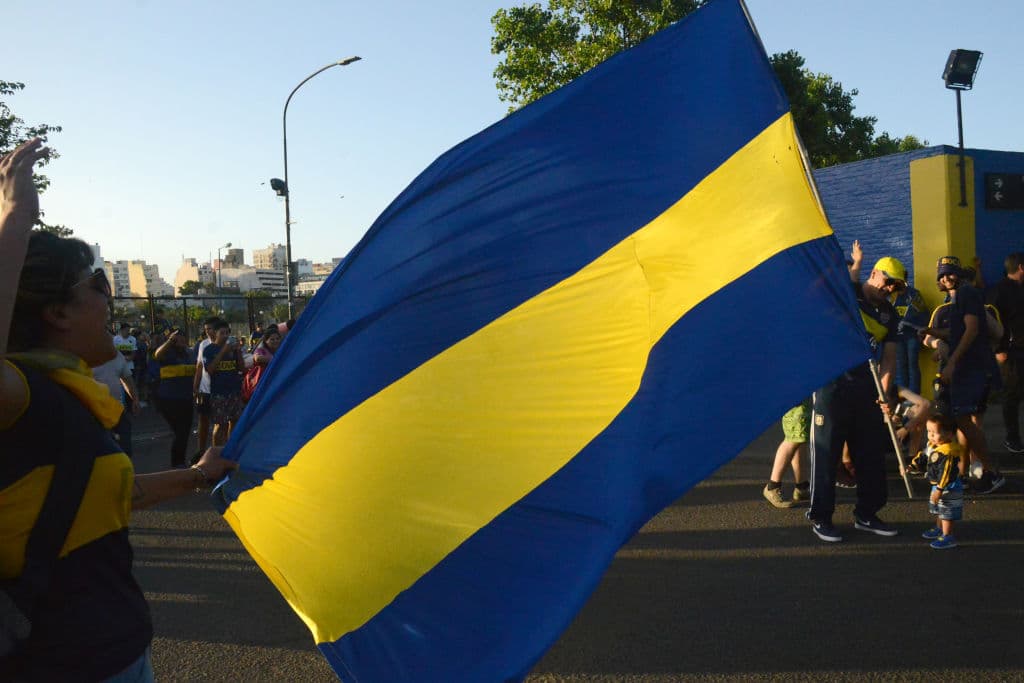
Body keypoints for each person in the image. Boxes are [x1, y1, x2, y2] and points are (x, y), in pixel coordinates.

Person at [0, 138, 237, 681]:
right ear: (57, 311)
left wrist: (197, 477)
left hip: (117, 651)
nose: (110, 302)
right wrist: (15, 219)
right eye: (99, 287)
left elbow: (105, 495)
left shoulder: (63, 394)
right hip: (63, 662)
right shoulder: (22, 394)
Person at [807, 256, 905, 543]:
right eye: (887, 281)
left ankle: (867, 513)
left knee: (871, 455)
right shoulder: (846, 295)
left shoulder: (889, 315)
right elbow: (822, 290)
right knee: (827, 454)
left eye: (896, 286)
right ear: (874, 274)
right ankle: (821, 517)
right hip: (832, 385)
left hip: (867, 389)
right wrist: (853, 266)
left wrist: (884, 395)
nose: (890, 289)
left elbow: (888, 359)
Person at [923, 256, 1005, 494]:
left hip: (974, 371)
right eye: (942, 274)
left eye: (950, 273)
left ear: (960, 275)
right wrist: (932, 332)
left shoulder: (967, 294)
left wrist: (952, 364)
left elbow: (972, 330)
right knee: (962, 421)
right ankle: (963, 472)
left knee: (963, 420)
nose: (946, 278)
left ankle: (989, 472)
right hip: (970, 371)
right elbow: (958, 331)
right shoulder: (958, 301)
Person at [988, 251, 1024, 453]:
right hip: (1010, 353)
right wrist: (999, 349)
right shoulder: (1000, 292)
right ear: (1021, 268)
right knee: (1012, 395)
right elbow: (992, 322)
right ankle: (1012, 438)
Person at [153, 328, 196, 468]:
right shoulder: (168, 353)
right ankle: (177, 463)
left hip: (187, 398)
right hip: (169, 399)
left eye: (184, 337)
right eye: (178, 338)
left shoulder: (189, 354)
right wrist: (170, 341)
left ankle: (180, 461)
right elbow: (157, 355)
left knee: (184, 432)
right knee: (180, 432)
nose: (182, 340)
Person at [921, 414, 964, 550]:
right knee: (940, 509)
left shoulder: (948, 453)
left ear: (949, 434)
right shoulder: (933, 446)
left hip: (948, 487)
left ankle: (948, 535)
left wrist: (939, 489)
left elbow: (946, 473)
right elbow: (922, 456)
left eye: (935, 432)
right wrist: (912, 465)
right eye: (929, 431)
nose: (931, 435)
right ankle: (939, 528)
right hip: (938, 486)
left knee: (946, 512)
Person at [92, 342, 140, 458]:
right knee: (103, 449)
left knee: (125, 447)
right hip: (94, 412)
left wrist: (135, 399)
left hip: (117, 409)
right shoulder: (84, 356)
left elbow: (127, 379)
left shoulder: (116, 356)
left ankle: (126, 471)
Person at [202, 320, 245, 446]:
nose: (225, 336)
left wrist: (237, 351)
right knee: (220, 425)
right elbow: (210, 370)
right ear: (215, 334)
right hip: (219, 393)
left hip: (234, 391)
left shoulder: (232, 350)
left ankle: (230, 449)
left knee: (235, 421)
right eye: (222, 333)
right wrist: (223, 351)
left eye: (227, 333)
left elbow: (242, 368)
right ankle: (216, 453)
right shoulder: (209, 350)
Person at [763, 401, 811, 508]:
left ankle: (801, 486)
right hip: (796, 398)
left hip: (802, 396)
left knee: (799, 439)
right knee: (793, 439)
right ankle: (772, 486)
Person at [191, 316, 222, 462]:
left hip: (220, 389)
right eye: (206, 329)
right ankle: (200, 451)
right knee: (203, 420)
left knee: (220, 423)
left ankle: (218, 454)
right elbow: (199, 366)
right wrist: (195, 386)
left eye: (210, 329)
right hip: (204, 389)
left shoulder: (226, 344)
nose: (208, 332)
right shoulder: (203, 344)